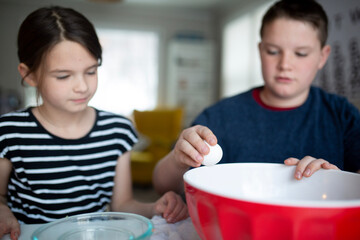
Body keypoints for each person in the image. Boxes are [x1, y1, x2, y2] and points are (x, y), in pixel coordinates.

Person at [0, 6, 188, 240]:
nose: (82, 86)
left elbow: (122, 204)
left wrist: (154, 207)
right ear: (29, 75)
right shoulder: (9, 132)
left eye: (90, 71)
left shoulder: (117, 131)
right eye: (63, 76)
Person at [153, 0, 360, 195]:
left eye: (301, 54)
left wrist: (337, 181)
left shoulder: (342, 115)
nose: (285, 64)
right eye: (272, 51)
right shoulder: (220, 117)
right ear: (260, 51)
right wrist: (178, 159)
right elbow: (162, 185)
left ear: (322, 56)